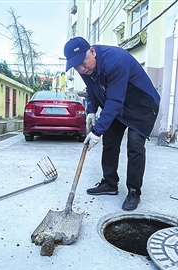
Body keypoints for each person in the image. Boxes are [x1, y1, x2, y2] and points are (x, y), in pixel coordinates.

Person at [64, 37, 160, 211]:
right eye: (76, 66)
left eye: (82, 63)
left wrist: (97, 131)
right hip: (119, 104)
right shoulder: (84, 67)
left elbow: (115, 100)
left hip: (141, 105)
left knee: (135, 144)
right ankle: (109, 183)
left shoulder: (116, 60)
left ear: (92, 51)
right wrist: (91, 111)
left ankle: (133, 191)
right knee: (110, 141)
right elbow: (92, 91)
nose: (81, 69)